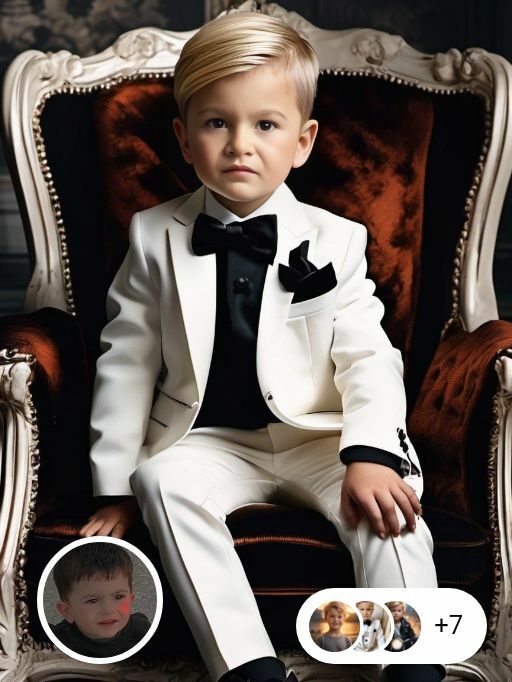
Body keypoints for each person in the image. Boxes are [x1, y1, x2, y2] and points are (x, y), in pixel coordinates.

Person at [80, 10, 445, 682]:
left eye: (266, 125)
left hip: (319, 437)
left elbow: (368, 356)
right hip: (208, 440)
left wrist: (370, 454)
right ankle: (249, 666)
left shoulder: (338, 240)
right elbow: (126, 363)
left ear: (303, 141)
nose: (240, 145)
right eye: (217, 123)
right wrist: (117, 488)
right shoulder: (153, 236)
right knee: (160, 480)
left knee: (387, 511)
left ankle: (408, 660)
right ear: (184, 139)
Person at [50, 543, 151, 657]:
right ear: (67, 611)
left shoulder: (142, 631)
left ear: (130, 601)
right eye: (92, 601)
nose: (108, 610)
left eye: (119, 597)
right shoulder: (54, 641)